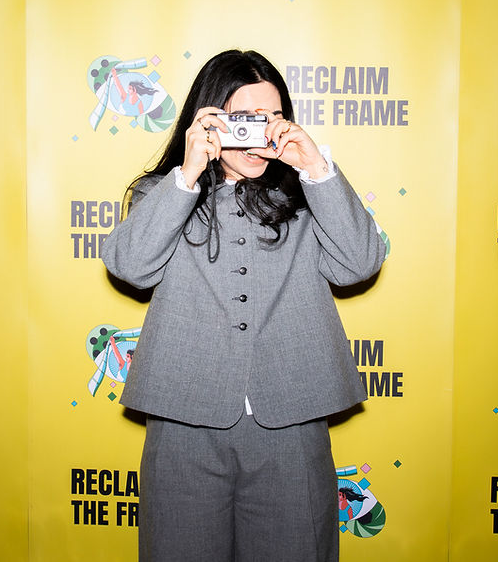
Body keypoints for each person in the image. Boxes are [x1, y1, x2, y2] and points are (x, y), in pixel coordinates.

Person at [101, 50, 386, 561]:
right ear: (209, 118)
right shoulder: (165, 193)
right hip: (185, 415)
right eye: (245, 119)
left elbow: (360, 263)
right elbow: (130, 266)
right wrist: (187, 175)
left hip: (292, 416)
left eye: (272, 118)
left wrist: (316, 168)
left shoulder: (308, 196)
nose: (260, 134)